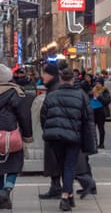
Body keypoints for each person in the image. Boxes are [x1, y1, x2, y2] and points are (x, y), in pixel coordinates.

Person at [41, 67, 96, 212]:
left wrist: (48, 131)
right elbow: (88, 117)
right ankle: (66, 196)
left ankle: (68, 194)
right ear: (73, 79)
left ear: (60, 79)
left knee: (63, 165)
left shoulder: (52, 95)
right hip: (74, 136)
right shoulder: (81, 95)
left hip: (55, 138)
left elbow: (43, 115)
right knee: (69, 165)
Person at [0, 64, 33, 210]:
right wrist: (27, 135)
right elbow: (23, 116)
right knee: (15, 162)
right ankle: (8, 188)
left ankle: (1, 198)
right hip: (12, 132)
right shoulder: (17, 92)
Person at [37, 64, 64, 201]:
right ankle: (56, 187)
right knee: (56, 161)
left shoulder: (55, 90)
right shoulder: (53, 88)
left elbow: (48, 111)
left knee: (57, 161)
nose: (42, 76)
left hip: (55, 131)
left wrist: (47, 127)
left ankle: (59, 189)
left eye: (44, 73)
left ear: (51, 75)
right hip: (54, 130)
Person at [90, 83, 111, 149]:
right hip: (92, 111)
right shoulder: (92, 90)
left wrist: (98, 96)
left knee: (101, 128)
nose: (97, 85)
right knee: (92, 128)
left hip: (101, 112)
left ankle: (101, 144)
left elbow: (107, 101)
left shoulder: (105, 91)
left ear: (102, 85)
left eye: (99, 83)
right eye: (96, 83)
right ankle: (93, 143)